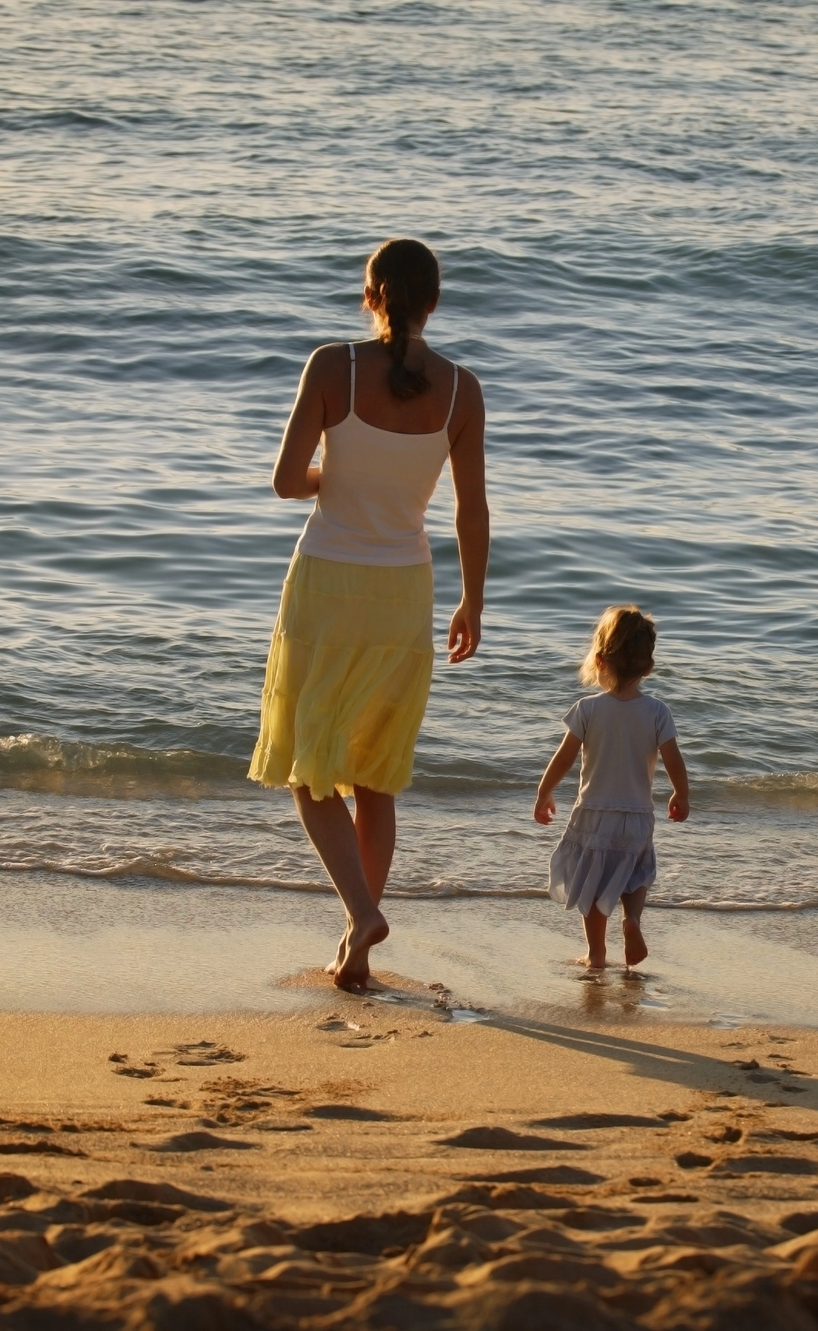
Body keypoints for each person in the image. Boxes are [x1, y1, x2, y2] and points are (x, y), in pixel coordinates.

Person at [250, 238, 488, 992]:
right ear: (434, 302)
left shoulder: (332, 367)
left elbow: (288, 482)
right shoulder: (461, 390)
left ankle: (359, 910)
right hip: (404, 593)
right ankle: (358, 943)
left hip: (326, 583)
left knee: (308, 770)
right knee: (375, 777)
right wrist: (472, 600)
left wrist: (336, 475)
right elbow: (471, 511)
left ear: (372, 294)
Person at [533, 606, 690, 970]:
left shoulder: (587, 709)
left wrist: (544, 794)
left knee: (594, 883)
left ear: (600, 659)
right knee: (635, 875)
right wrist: (681, 794)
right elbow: (674, 760)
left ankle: (596, 954)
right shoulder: (657, 712)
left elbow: (563, 759)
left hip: (593, 813)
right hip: (637, 814)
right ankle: (632, 920)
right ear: (648, 667)